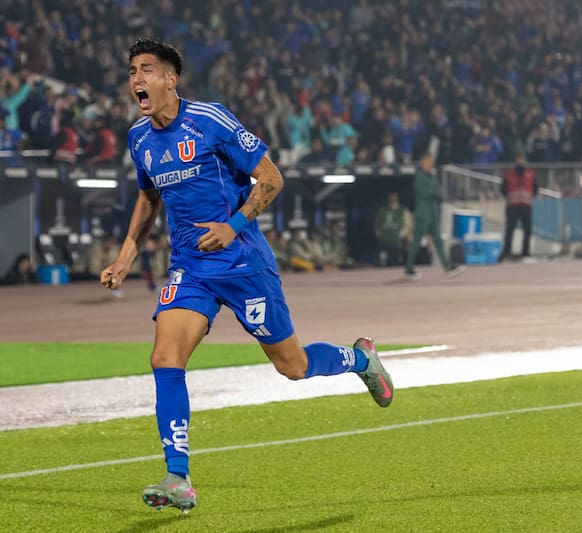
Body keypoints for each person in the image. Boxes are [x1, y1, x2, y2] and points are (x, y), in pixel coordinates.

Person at [101, 39, 394, 513]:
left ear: (171, 79)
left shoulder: (210, 119)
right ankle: (179, 477)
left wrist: (233, 225)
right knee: (164, 358)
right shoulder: (139, 138)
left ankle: (361, 360)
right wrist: (125, 255)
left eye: (148, 69)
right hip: (190, 267)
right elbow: (149, 196)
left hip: (241, 263)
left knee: (292, 366)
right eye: (133, 70)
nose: (137, 78)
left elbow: (272, 178)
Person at [404, 153, 465, 280]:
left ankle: (448, 266)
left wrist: (434, 191)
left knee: (439, 242)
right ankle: (409, 268)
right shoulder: (419, 177)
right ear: (422, 162)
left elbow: (440, 195)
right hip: (422, 215)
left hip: (433, 215)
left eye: (431, 162)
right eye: (427, 161)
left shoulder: (432, 177)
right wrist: (434, 191)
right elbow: (428, 193)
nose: (430, 164)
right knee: (416, 242)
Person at [501, 154, 539, 260]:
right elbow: (503, 189)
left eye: (522, 160)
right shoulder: (509, 175)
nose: (520, 162)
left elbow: (535, 189)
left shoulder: (531, 174)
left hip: (526, 206)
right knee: (510, 229)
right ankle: (507, 252)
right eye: (518, 160)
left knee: (527, 229)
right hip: (512, 206)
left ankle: (525, 252)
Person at [374, 192, 413, 266]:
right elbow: (377, 225)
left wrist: (401, 235)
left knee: (396, 262)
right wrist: (379, 234)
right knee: (385, 262)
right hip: (384, 241)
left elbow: (408, 225)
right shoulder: (382, 211)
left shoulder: (403, 211)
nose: (392, 200)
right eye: (391, 198)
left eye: (394, 198)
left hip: (397, 242)